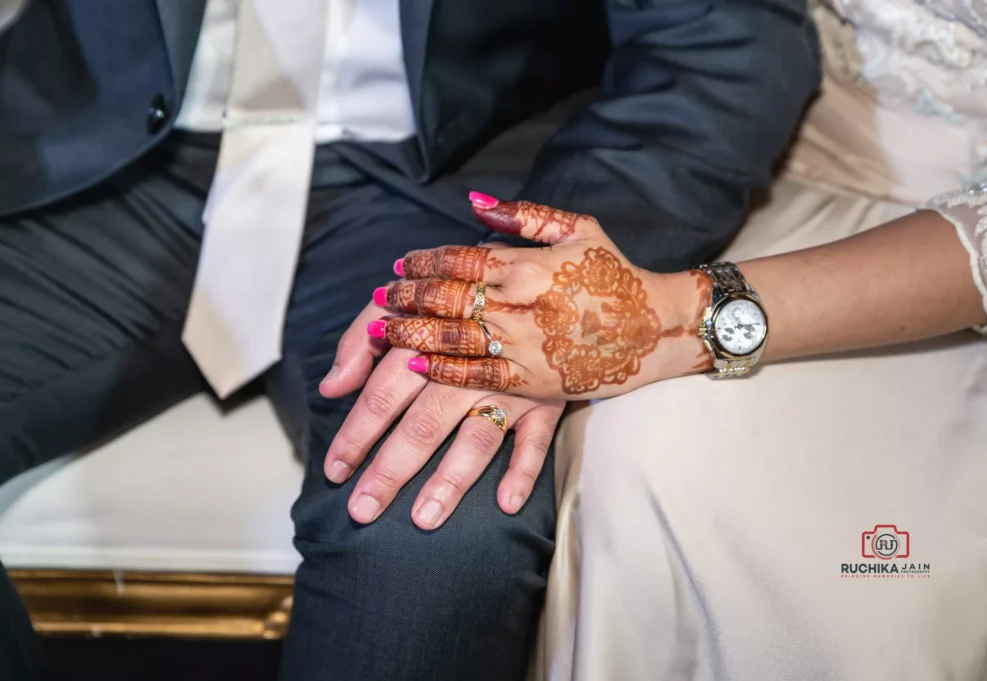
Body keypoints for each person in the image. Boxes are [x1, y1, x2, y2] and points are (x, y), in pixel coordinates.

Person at [0, 0, 820, 679]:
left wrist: (552, 273)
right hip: (104, 163)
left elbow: (718, 42)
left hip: (457, 187)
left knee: (431, 527)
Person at [375, 1, 987, 679]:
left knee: (862, 592)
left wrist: (678, 314)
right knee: (637, 452)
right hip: (780, 157)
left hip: (971, 270)